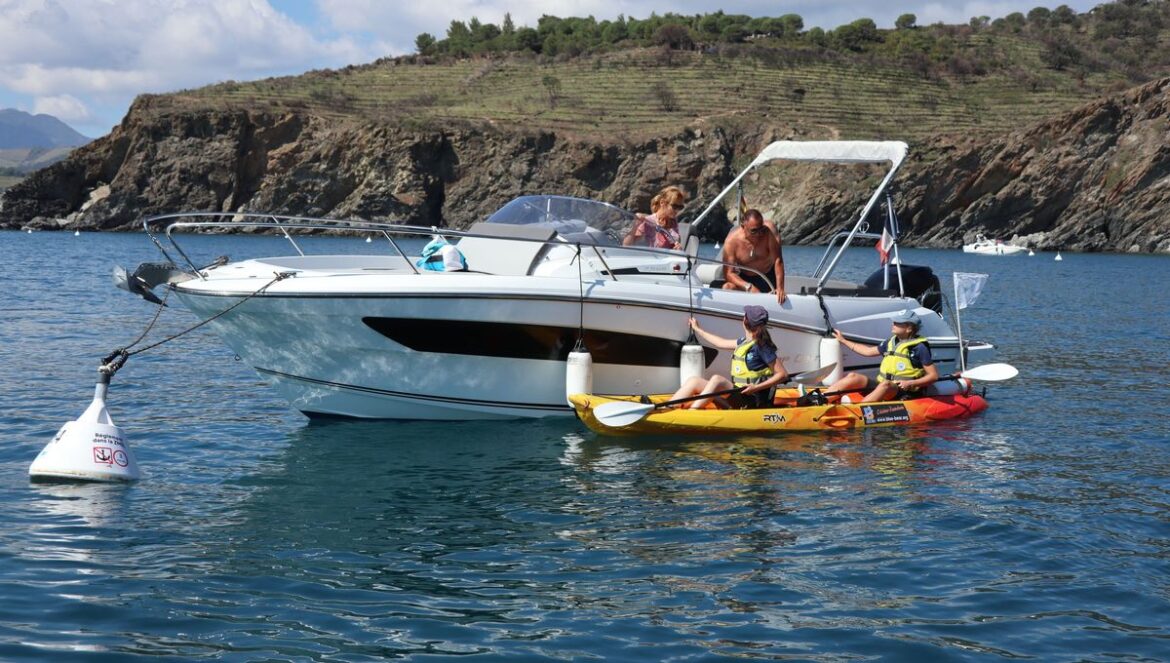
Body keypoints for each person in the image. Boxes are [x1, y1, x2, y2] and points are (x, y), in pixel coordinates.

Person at [669, 304, 790, 410]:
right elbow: (719, 342)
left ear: (744, 321)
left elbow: (783, 374)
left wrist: (756, 387)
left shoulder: (762, 347)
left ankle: (692, 412)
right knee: (694, 381)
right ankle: (667, 408)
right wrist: (698, 330)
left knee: (717, 380)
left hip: (751, 400)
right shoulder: (744, 342)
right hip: (738, 396)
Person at [820, 309, 938, 403]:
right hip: (883, 386)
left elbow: (933, 376)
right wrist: (843, 340)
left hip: (903, 390)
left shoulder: (919, 348)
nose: (893, 324)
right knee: (853, 376)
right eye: (894, 322)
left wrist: (910, 383)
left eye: (898, 323)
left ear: (909, 328)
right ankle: (821, 400)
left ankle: (859, 410)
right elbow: (867, 351)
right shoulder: (891, 342)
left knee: (885, 385)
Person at [720, 209, 786, 303]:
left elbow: (778, 260)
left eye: (761, 229)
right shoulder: (731, 241)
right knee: (727, 287)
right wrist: (748, 286)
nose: (759, 234)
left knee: (778, 296)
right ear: (743, 227)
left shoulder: (769, 231)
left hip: (768, 277)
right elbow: (728, 273)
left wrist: (780, 288)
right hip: (746, 278)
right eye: (754, 231)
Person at [623, 185, 686, 250]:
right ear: (662, 203)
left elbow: (675, 244)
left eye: (680, 207)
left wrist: (678, 248)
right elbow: (627, 246)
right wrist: (635, 225)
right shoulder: (647, 222)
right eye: (674, 206)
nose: (677, 210)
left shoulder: (673, 222)